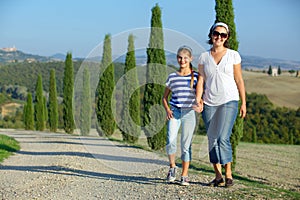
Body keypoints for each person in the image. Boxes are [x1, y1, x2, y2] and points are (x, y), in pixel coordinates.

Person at [196, 22, 246, 187]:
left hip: (229, 101)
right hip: (209, 102)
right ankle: (218, 176)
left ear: (227, 38)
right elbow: (201, 80)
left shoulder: (233, 55)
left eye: (223, 35)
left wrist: (244, 102)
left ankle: (229, 174)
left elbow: (239, 79)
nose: (219, 37)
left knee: (222, 137)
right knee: (212, 139)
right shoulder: (204, 57)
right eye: (216, 33)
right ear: (211, 35)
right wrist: (198, 99)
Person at [162, 45, 198, 186]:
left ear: (190, 59)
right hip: (175, 112)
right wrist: (167, 110)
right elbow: (164, 97)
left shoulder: (195, 77)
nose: (182, 60)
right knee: (171, 140)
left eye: (185, 58)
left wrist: (199, 103)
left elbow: (201, 95)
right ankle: (172, 168)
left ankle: (184, 174)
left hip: (189, 113)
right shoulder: (172, 77)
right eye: (180, 57)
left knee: (185, 145)